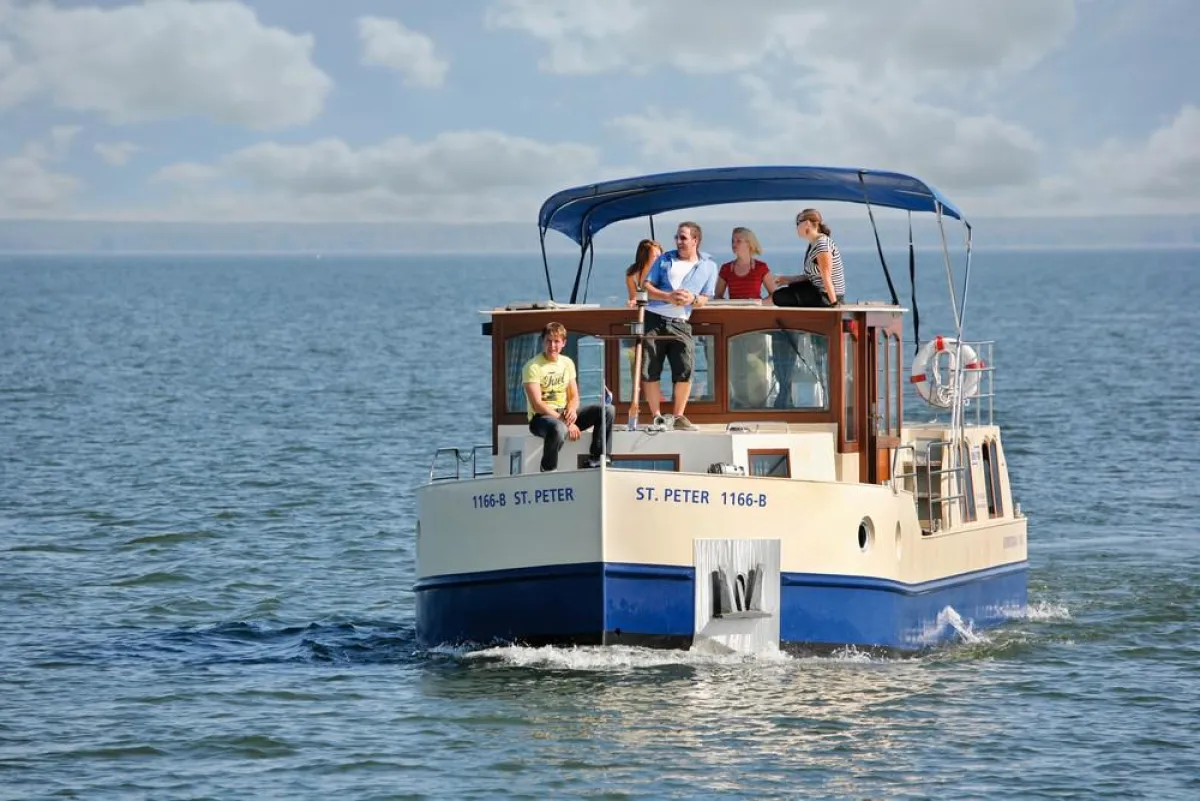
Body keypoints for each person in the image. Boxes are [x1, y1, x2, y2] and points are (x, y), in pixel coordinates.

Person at [640, 222, 718, 431]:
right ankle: (656, 417)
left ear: (695, 240)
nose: (678, 241)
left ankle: (678, 416)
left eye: (683, 238)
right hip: (654, 319)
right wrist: (668, 297)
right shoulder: (665, 259)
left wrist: (693, 299)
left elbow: (706, 297)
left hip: (681, 323)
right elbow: (646, 285)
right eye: (677, 237)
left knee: (685, 368)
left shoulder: (709, 266)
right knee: (650, 368)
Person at [523, 322, 615, 471]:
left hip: (564, 414)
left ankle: (597, 459)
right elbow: (537, 405)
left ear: (564, 343)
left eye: (556, 341)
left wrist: (572, 410)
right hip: (541, 418)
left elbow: (574, 396)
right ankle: (548, 469)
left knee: (607, 410)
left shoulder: (567, 363)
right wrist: (566, 422)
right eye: (548, 341)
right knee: (558, 428)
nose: (552, 346)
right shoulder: (532, 366)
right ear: (543, 341)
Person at [772, 208, 845, 307]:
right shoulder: (813, 244)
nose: (797, 227)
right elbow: (811, 276)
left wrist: (834, 304)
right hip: (818, 291)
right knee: (788, 290)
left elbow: (826, 276)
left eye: (798, 223)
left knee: (779, 297)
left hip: (826, 296)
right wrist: (787, 279)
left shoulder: (822, 244)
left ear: (807, 223)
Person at [716, 227, 778, 301]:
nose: (734, 244)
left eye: (738, 241)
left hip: (756, 308)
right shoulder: (726, 268)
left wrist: (760, 304)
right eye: (733, 241)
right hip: (734, 309)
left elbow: (775, 295)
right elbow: (717, 296)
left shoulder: (760, 267)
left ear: (749, 244)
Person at [625, 238, 663, 307]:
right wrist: (632, 302)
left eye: (660, 256)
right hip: (644, 310)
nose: (659, 260)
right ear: (644, 257)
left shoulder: (664, 272)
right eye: (655, 256)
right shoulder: (632, 274)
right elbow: (633, 297)